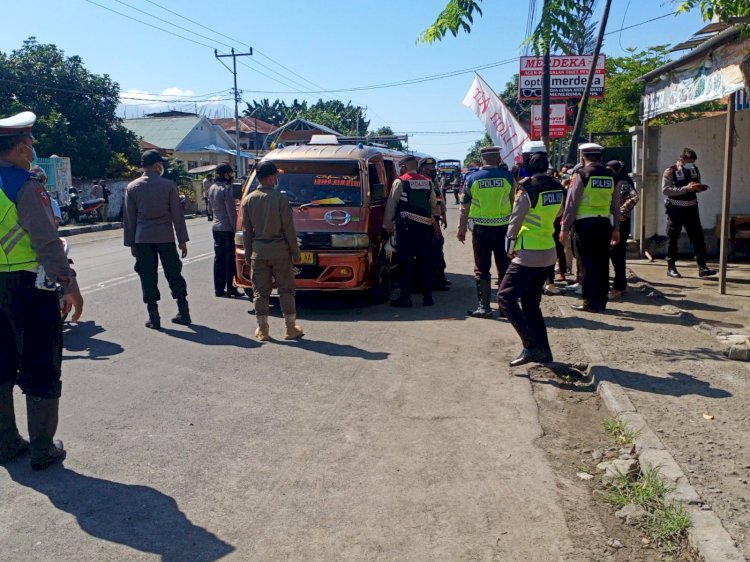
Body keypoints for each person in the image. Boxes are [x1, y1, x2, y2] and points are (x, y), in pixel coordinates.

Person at [0, 111, 83, 470]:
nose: (33, 148)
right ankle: (42, 448)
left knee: (1, 366)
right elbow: (47, 242)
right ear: (19, 148)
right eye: (30, 143)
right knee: (40, 365)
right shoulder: (25, 185)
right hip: (29, 288)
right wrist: (69, 285)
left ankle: (5, 444)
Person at [497, 146, 564, 366]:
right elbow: (560, 214)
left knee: (505, 298)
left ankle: (530, 346)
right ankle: (544, 351)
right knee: (530, 302)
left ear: (526, 162)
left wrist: (509, 247)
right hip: (549, 252)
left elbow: (515, 222)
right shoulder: (558, 186)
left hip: (527, 254)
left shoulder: (526, 188)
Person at [124, 150, 191, 329]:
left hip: (142, 239)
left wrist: (131, 243)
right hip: (165, 237)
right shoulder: (168, 185)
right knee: (173, 273)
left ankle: (154, 318)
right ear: (156, 165)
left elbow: (129, 219)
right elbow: (177, 215)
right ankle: (184, 313)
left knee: (147, 276)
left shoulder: (132, 187)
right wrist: (182, 240)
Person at [241, 161, 303, 341]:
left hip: (258, 253)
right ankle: (290, 329)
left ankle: (263, 330)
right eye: (276, 175)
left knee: (260, 292)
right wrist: (295, 253)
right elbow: (289, 229)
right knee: (286, 290)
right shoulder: (280, 199)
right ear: (270, 177)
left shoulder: (249, 199)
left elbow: (247, 231)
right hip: (280, 252)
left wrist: (247, 254)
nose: (277, 179)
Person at [560, 143, 620, 312]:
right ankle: (601, 302)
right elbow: (615, 205)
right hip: (604, 225)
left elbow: (572, 203)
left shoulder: (582, 174)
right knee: (602, 263)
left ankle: (589, 302)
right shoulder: (611, 176)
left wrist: (565, 227)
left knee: (586, 263)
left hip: (584, 224)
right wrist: (616, 228)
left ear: (582, 157)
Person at [457, 146, 515, 318]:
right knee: (504, 267)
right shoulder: (509, 178)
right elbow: (513, 204)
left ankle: (484, 307)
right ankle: (505, 307)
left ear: (482, 160)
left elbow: (464, 207)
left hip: (480, 230)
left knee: (482, 268)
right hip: (503, 229)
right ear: (498, 160)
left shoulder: (471, 178)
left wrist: (461, 229)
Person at [384, 155, 437, 308]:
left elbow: (392, 204)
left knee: (405, 263)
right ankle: (428, 297)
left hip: (406, 229)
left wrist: (387, 225)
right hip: (425, 228)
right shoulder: (428, 182)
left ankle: (405, 298)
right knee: (425, 262)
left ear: (404, 167)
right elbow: (433, 203)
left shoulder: (400, 181)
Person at [662, 148, 716, 279]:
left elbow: (695, 184)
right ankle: (671, 267)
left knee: (698, 238)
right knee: (673, 237)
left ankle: (702, 267)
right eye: (689, 161)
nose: (691, 164)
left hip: (691, 208)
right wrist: (686, 189)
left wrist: (699, 188)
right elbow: (666, 190)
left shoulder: (694, 169)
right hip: (675, 209)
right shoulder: (671, 171)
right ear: (682, 159)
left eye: (693, 162)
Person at [607, 160, 639, 298]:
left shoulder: (623, 183)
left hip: (620, 224)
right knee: (616, 255)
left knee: (617, 255)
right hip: (614, 222)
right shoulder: (614, 181)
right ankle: (622, 284)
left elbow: (634, 197)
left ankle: (618, 287)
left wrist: (621, 212)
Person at [208, 164, 241, 298]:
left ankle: (219, 289)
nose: (231, 176)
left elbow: (210, 210)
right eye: (230, 174)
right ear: (225, 175)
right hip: (227, 228)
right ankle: (231, 289)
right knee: (230, 259)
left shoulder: (212, 188)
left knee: (219, 259)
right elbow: (231, 213)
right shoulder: (225, 190)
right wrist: (236, 229)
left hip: (216, 228)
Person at [418, 157, 450, 291]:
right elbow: (425, 206)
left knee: (438, 249)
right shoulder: (420, 182)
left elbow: (439, 199)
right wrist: (434, 223)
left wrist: (443, 215)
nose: (431, 171)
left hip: (436, 218)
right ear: (421, 169)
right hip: (427, 220)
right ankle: (435, 281)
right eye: (428, 169)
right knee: (433, 251)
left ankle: (440, 278)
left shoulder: (433, 180)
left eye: (433, 169)